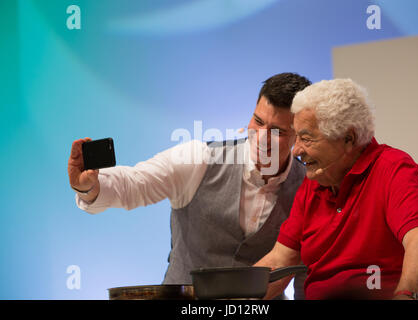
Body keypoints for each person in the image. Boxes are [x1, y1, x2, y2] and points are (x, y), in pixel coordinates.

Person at [68, 72, 311, 298]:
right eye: (257, 121)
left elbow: (306, 273)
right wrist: (90, 187)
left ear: (299, 135)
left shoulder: (311, 186)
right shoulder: (199, 158)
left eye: (277, 131)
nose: (261, 137)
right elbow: (135, 183)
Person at [256, 78, 418, 300]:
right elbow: (279, 260)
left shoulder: (393, 169)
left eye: (306, 139)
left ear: (349, 138)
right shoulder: (314, 183)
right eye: (296, 137)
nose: (296, 150)